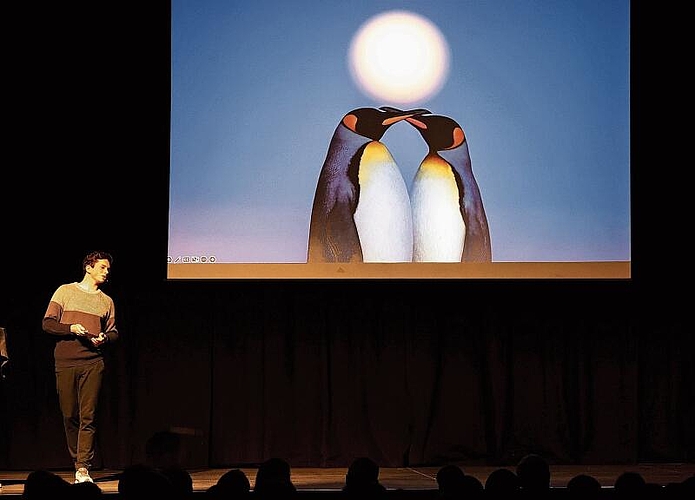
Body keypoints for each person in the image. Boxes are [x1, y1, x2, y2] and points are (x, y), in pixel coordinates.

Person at [42, 251, 118, 484]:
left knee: (88, 416)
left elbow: (114, 332)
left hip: (93, 362)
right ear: (89, 267)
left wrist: (104, 338)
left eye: (108, 268)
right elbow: (48, 324)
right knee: (69, 414)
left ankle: (82, 467)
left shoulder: (106, 301)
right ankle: (78, 460)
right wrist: (71, 328)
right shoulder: (65, 291)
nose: (107, 272)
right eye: (103, 267)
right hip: (65, 361)